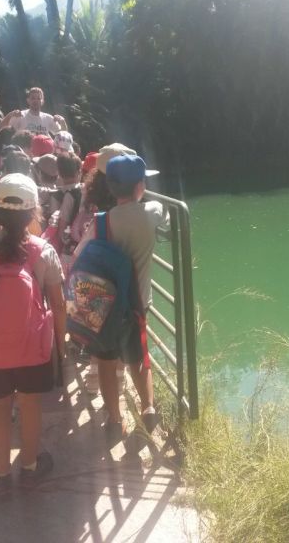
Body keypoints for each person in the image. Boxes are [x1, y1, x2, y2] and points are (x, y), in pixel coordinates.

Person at [0, 173, 66, 495]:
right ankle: (31, 467)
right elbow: (58, 305)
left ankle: (2, 473)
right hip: (32, 346)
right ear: (34, 212)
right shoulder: (43, 251)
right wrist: (60, 348)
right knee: (30, 404)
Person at [73, 154, 167, 440]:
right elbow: (163, 213)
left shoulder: (102, 222)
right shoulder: (152, 212)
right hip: (137, 304)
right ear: (140, 186)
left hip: (104, 307)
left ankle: (115, 420)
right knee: (138, 359)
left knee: (106, 360)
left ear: (110, 188)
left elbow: (78, 255)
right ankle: (148, 408)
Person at [0, 87, 67, 137]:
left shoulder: (48, 118)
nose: (35, 101)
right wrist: (10, 115)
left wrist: (63, 122)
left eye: (38, 98)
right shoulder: (20, 116)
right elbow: (1, 129)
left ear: (42, 101)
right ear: (28, 100)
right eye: (33, 98)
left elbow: (64, 137)